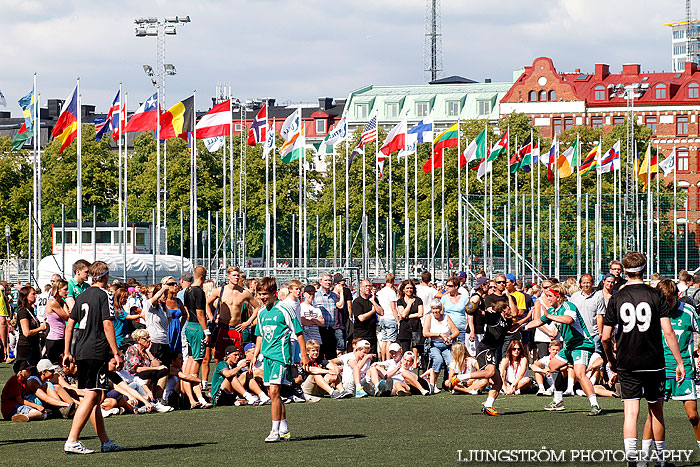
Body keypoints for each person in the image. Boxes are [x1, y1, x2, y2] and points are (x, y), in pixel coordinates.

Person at [601, 252, 685, 465]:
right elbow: (668, 332)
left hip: (627, 360)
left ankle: (631, 460)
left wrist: (611, 360)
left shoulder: (616, 297)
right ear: (644, 270)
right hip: (653, 361)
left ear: (624, 271)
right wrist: (679, 361)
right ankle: (660, 461)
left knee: (631, 412)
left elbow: (605, 337)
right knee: (656, 411)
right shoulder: (656, 295)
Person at [63, 260, 123, 454]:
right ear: (105, 276)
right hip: (97, 350)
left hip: (81, 349)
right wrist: (115, 352)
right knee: (91, 395)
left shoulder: (82, 295)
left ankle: (105, 441)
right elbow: (107, 324)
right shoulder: (105, 294)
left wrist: (67, 351)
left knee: (94, 395)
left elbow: (70, 324)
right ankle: (72, 440)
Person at [640, 279, 700, 458]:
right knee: (653, 415)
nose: (667, 304)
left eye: (671, 300)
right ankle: (645, 455)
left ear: (677, 297)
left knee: (692, 415)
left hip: (685, 367)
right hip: (659, 368)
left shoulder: (688, 311)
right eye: (664, 300)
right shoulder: (652, 313)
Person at [523, 282, 601, 415]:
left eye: (550, 296)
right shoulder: (553, 311)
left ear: (558, 297)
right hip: (570, 346)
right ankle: (558, 401)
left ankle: (595, 405)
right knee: (553, 366)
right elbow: (538, 322)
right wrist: (520, 327)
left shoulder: (568, 306)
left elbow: (569, 320)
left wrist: (549, 317)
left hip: (582, 344)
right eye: (546, 296)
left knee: (580, 373)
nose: (547, 299)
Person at [250, 276, 309, 443]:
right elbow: (260, 335)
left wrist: (304, 355)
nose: (261, 297)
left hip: (281, 357)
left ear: (273, 293)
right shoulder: (261, 312)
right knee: (273, 393)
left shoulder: (284, 309)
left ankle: (274, 431)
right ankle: (284, 427)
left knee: (274, 392)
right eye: (259, 294)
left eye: (264, 294)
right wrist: (255, 355)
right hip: (267, 357)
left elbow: (298, 332)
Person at [206, 266, 259, 360]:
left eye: (238, 275)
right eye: (234, 275)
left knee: (237, 357)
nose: (236, 277)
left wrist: (247, 323)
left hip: (237, 329)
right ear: (228, 276)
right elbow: (206, 303)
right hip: (223, 328)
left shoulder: (244, 292)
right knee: (220, 357)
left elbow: (258, 307)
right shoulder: (220, 290)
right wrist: (212, 319)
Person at [182, 266, 211, 409]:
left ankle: (189, 396)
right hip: (198, 327)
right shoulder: (199, 291)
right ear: (204, 277)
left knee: (190, 361)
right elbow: (200, 313)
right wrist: (206, 331)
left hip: (189, 326)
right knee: (195, 365)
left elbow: (187, 311)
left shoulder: (187, 291)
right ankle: (197, 397)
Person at [123, 329, 173, 412]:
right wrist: (156, 368)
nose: (149, 340)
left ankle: (158, 399)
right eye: (146, 338)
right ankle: (147, 400)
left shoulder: (149, 350)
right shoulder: (132, 350)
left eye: (149, 337)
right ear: (138, 340)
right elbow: (137, 369)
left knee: (163, 371)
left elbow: (158, 366)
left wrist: (148, 352)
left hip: (146, 375)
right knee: (147, 373)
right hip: (133, 378)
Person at [422, 299, 459, 391]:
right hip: (434, 345)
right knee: (438, 360)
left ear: (441, 309)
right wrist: (439, 334)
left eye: (437, 308)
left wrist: (449, 337)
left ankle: (450, 383)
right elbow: (425, 333)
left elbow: (456, 331)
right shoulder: (429, 317)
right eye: (433, 308)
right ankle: (433, 383)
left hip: (446, 345)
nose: (435, 311)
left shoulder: (446, 317)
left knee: (451, 361)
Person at [570, 274, 606, 354]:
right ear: (580, 284)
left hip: (593, 334)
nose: (586, 285)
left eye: (588, 283)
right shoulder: (574, 297)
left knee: (596, 357)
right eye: (584, 283)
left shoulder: (598, 296)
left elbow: (599, 316)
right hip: (578, 334)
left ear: (592, 283)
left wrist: (600, 334)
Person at [313, 273, 343, 360]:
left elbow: (341, 305)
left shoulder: (334, 296)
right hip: (319, 329)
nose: (328, 282)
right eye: (325, 280)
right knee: (319, 355)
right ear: (320, 282)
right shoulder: (316, 295)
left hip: (331, 329)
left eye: (329, 280)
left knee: (332, 356)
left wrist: (341, 293)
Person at [15, 285, 44, 367]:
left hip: (34, 346)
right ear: (26, 296)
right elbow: (26, 332)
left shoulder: (30, 310)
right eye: (33, 294)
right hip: (26, 348)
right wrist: (40, 328)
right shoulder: (23, 312)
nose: (36, 296)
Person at [352, 280, 383, 356]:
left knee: (372, 358)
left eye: (369, 286)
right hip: (360, 335)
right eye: (366, 286)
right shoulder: (357, 302)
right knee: (361, 357)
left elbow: (381, 312)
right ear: (360, 288)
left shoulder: (373, 299)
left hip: (372, 335)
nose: (368, 288)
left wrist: (373, 301)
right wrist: (372, 312)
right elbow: (361, 318)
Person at [44, 279, 70, 364]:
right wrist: (65, 304)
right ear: (58, 290)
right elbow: (66, 317)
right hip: (54, 339)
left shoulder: (59, 302)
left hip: (60, 337)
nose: (67, 291)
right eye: (65, 289)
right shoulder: (53, 302)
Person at [376, 273, 400, 361]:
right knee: (390, 341)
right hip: (390, 318)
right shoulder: (391, 292)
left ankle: (383, 360)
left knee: (384, 341)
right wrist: (397, 320)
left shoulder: (380, 292)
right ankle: (388, 360)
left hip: (382, 318)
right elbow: (393, 307)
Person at [397, 280, 423, 357]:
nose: (409, 290)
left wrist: (408, 316)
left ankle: (417, 364)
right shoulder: (400, 301)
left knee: (417, 347)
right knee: (405, 350)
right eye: (407, 288)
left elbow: (420, 313)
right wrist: (409, 304)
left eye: (411, 288)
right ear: (403, 289)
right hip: (405, 328)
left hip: (416, 327)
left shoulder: (418, 300)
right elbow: (403, 314)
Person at [441, 276, 469, 344]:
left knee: (461, 349)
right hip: (448, 328)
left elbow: (469, 314)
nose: (447, 288)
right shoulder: (444, 298)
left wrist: (467, 325)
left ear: (456, 286)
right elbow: (441, 313)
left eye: (450, 286)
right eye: (446, 285)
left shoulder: (464, 298)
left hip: (461, 327)